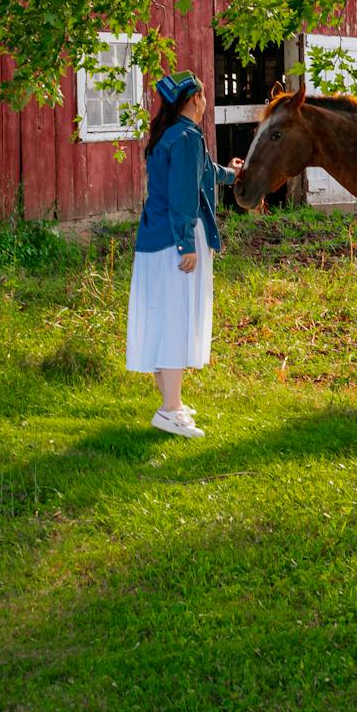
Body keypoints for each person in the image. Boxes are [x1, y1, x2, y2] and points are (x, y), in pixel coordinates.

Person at [127, 71, 244, 438]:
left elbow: (204, 174)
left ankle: (171, 403)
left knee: (163, 318)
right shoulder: (188, 137)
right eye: (205, 96)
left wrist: (232, 174)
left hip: (153, 240)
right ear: (195, 100)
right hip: (176, 240)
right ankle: (170, 410)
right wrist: (186, 245)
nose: (207, 102)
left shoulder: (170, 135)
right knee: (177, 319)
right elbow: (182, 197)